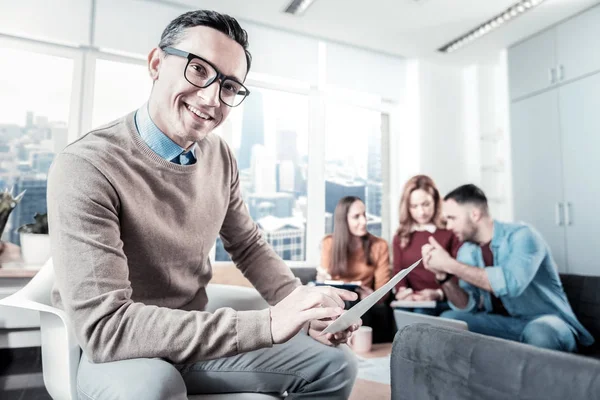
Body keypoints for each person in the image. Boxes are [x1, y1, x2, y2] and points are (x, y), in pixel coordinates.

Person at [47, 10, 359, 399]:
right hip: (115, 350)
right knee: (154, 387)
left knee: (336, 364)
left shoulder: (220, 157)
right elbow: (106, 328)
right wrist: (267, 323)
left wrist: (303, 308)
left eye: (229, 87)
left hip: (191, 339)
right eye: (198, 70)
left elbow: (248, 245)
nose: (212, 98)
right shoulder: (88, 166)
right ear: (157, 64)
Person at [422, 184, 594, 352]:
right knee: (449, 321)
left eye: (452, 218)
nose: (449, 226)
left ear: (475, 214)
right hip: (504, 325)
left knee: (539, 333)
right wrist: (443, 276)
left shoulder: (523, 235)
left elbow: (511, 284)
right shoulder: (467, 250)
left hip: (547, 322)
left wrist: (450, 264)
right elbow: (468, 305)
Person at [320, 196, 395, 343]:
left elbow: (383, 289)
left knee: (355, 306)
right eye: (356, 217)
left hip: (366, 301)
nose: (364, 221)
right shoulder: (329, 243)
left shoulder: (379, 245)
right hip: (339, 300)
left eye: (364, 215)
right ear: (344, 220)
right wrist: (322, 279)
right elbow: (326, 280)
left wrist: (373, 295)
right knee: (341, 306)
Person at [392, 175, 460, 316]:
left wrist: (438, 293)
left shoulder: (451, 231)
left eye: (426, 204)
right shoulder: (400, 236)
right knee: (402, 311)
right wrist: (403, 292)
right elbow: (398, 271)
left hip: (442, 298)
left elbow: (459, 273)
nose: (421, 212)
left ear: (435, 201)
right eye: (414, 206)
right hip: (413, 299)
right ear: (407, 207)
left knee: (421, 312)